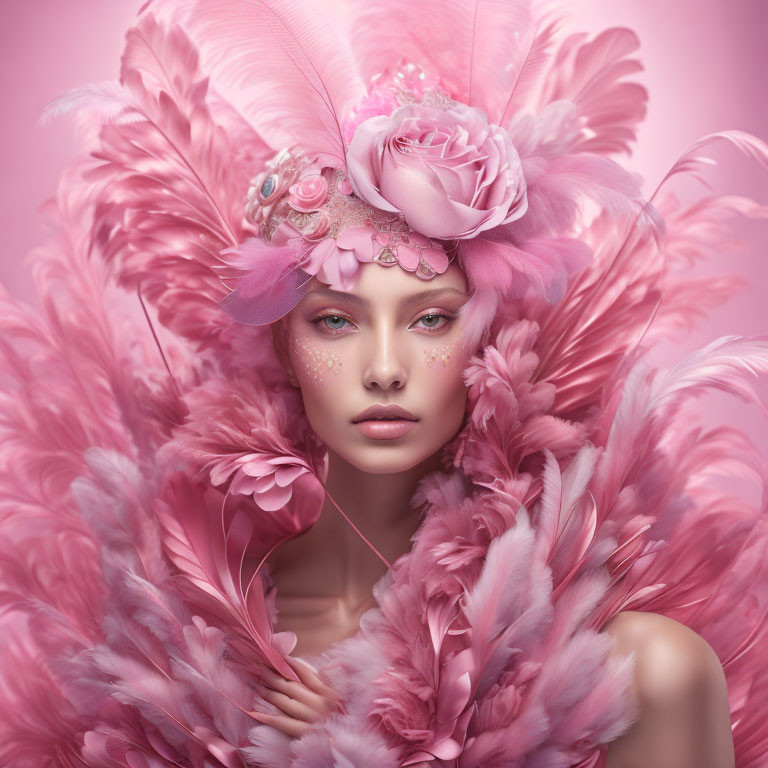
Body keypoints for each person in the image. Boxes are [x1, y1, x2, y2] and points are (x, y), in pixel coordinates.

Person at [0, 0, 767, 767]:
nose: (385, 368)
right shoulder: (176, 640)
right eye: (335, 322)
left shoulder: (641, 673)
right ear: (282, 351)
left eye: (431, 320)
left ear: (492, 343)